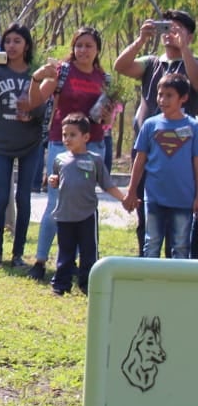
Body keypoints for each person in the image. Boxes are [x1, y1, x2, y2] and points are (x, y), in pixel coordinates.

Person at [25, 26, 112, 282]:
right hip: (61, 145)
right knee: (56, 202)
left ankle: (73, 264)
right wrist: (36, 79)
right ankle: (40, 261)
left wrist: (107, 116)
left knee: (83, 206)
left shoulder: (104, 78)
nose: (83, 50)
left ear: (97, 50)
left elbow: (106, 119)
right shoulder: (61, 72)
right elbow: (34, 102)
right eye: (79, 45)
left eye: (89, 46)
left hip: (94, 145)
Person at [113, 10, 198, 254]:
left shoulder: (192, 60)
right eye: (166, 28)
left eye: (177, 30)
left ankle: (175, 267)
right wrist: (140, 40)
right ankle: (146, 258)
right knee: (147, 210)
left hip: (182, 148)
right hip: (148, 144)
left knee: (179, 222)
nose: (169, 34)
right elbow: (122, 66)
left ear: (189, 36)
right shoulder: (151, 62)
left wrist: (185, 50)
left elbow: (196, 81)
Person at [0, 24, 44, 267]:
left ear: (26, 45)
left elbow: (43, 108)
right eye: (8, 41)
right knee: (0, 198)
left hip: (30, 143)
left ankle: (17, 254)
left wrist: (31, 110)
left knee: (23, 198)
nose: (11, 46)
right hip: (2, 143)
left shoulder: (35, 74)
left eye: (17, 41)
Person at [48, 113, 127, 295]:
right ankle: (61, 284)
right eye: (64, 135)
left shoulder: (94, 160)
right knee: (65, 252)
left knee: (88, 252)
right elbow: (56, 180)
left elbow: (107, 185)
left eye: (72, 135)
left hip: (87, 215)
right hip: (64, 214)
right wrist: (53, 180)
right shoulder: (59, 159)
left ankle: (88, 284)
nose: (67, 139)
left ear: (86, 137)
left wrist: (124, 198)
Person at [125, 73, 198, 259]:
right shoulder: (150, 125)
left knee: (181, 245)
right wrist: (132, 190)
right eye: (160, 94)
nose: (162, 100)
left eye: (169, 95)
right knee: (151, 243)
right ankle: (150, 285)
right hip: (155, 197)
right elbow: (140, 160)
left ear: (184, 98)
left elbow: (196, 162)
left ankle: (178, 287)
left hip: (184, 198)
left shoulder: (193, 127)